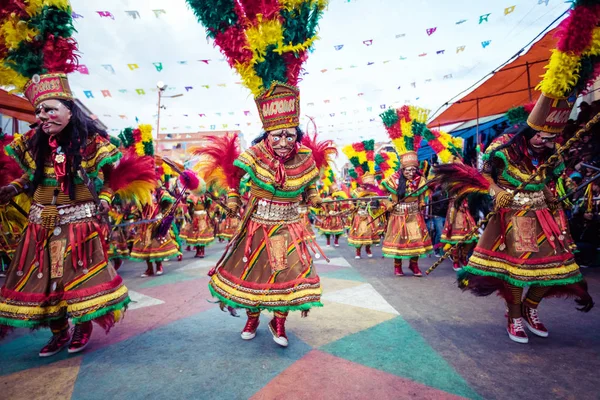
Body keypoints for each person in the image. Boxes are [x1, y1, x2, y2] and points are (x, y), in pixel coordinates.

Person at [0, 75, 130, 355]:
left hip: (78, 220)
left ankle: (83, 327)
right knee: (44, 278)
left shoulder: (90, 142)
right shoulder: (35, 140)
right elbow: (31, 175)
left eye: (50, 109)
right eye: (38, 111)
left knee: (76, 276)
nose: (43, 116)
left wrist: (105, 200)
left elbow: (109, 178)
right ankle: (59, 332)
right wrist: (14, 187)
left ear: (70, 112)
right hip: (40, 220)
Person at [381, 152, 433, 276]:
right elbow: (381, 194)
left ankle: (414, 265)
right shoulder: (392, 180)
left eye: (414, 170)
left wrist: (421, 202)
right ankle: (397, 267)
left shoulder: (420, 180)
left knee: (416, 240)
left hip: (414, 215)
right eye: (408, 170)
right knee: (399, 241)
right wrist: (388, 204)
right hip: (398, 215)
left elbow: (421, 195)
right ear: (402, 169)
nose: (411, 173)